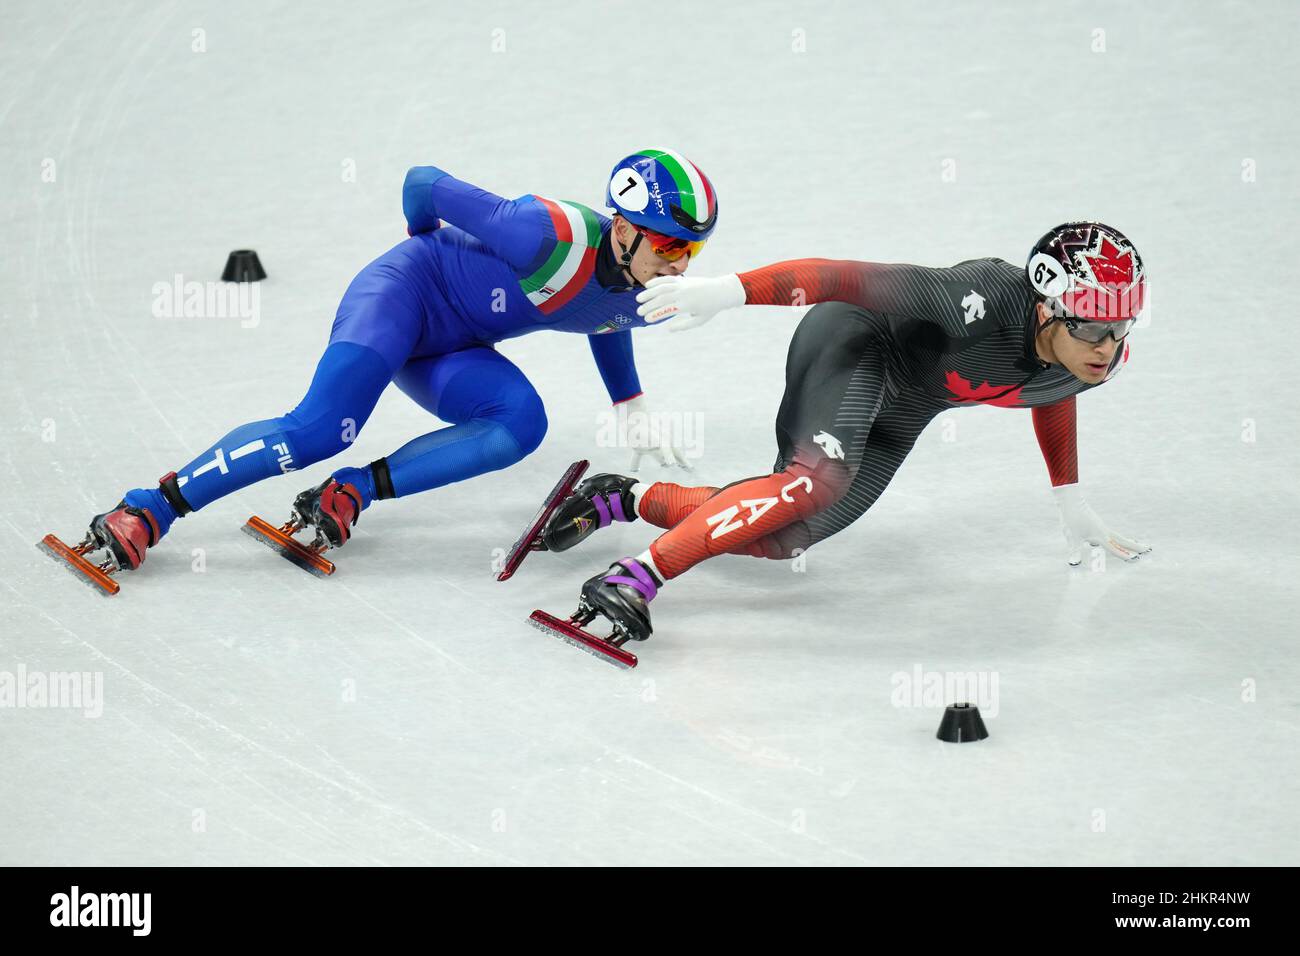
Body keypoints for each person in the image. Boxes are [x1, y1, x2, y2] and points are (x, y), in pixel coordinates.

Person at [48, 148, 718, 583]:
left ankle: (349, 493)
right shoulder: (543, 233)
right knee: (317, 431)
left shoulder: (654, 288)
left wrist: (629, 402)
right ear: (624, 227)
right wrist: (424, 250)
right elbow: (422, 182)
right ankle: (147, 509)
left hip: (451, 349)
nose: (679, 263)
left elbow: (605, 316)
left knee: (520, 424)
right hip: (401, 297)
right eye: (667, 243)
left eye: (692, 250)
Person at [537, 221, 1151, 643]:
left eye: (1122, 327)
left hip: (910, 405)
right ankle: (635, 576)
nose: (1108, 347)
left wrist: (1068, 494)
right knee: (813, 483)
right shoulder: (983, 296)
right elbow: (842, 277)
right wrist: (730, 292)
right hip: (857, 341)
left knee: (785, 540)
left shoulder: (1096, 358)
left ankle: (623, 497)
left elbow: (1054, 388)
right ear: (1046, 309)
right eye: (1094, 330)